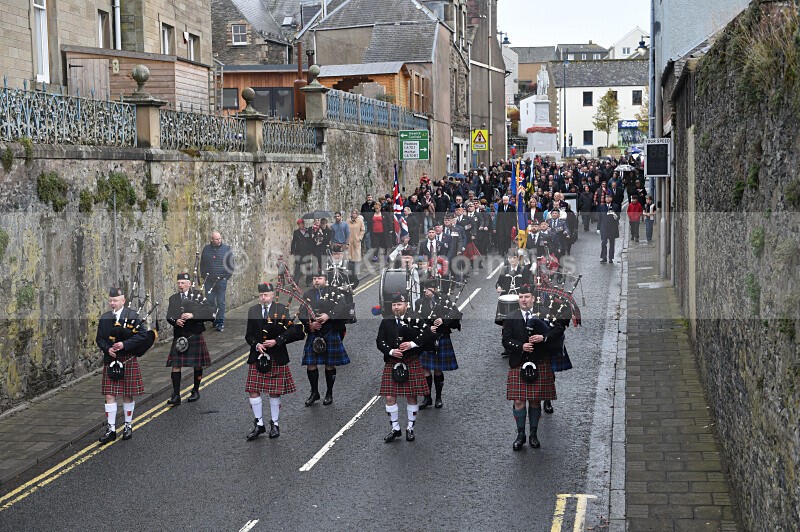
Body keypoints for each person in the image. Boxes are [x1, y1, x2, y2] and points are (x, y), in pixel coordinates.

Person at [502, 284, 565, 450]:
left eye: (527, 297)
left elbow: (559, 329)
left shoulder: (544, 313)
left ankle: (533, 435)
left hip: (539, 362)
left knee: (535, 401)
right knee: (518, 401)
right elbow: (505, 340)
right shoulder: (511, 317)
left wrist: (544, 337)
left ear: (533, 298)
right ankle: (520, 435)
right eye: (521, 297)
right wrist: (520, 346)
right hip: (519, 362)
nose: (523, 300)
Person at [243, 283, 304, 440]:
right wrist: (256, 345)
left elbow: (291, 330)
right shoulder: (253, 310)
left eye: (266, 295)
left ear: (272, 295)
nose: (263, 298)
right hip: (258, 356)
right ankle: (259, 424)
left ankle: (275, 424)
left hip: (276, 354)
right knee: (253, 390)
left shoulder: (281, 309)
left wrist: (276, 341)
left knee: (274, 391)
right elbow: (248, 335)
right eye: (261, 295)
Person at [95, 286, 150, 444]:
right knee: (109, 395)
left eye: (116, 300)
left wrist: (124, 344)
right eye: (111, 300)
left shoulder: (132, 316)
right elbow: (99, 339)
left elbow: (143, 335)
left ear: (123, 301)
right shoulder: (105, 317)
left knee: (127, 394)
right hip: (111, 360)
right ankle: (111, 429)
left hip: (127, 359)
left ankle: (127, 426)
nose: (112, 303)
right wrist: (107, 349)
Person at [376, 293, 432, 442]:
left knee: (412, 396)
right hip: (392, 362)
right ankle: (395, 429)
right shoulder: (386, 321)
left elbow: (428, 333)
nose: (396, 307)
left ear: (406, 305)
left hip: (411, 361)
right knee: (389, 397)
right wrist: (390, 351)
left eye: (399, 304)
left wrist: (412, 344)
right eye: (394, 305)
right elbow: (379, 341)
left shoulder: (414, 318)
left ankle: (410, 428)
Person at [299, 269, 350, 406]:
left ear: (325, 280)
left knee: (329, 364)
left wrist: (328, 315)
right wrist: (309, 325)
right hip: (314, 332)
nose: (317, 281)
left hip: (330, 330)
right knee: (310, 364)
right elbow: (302, 312)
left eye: (319, 278)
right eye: (315, 278)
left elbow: (343, 306)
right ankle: (314, 392)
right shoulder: (308, 294)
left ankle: (329, 393)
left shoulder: (334, 291)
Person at [165, 272, 216, 405]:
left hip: (194, 333)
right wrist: (175, 321)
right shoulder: (173, 299)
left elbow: (209, 312)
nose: (180, 285)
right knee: (176, 366)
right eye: (178, 283)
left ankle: (195, 390)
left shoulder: (198, 296)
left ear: (189, 284)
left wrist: (193, 315)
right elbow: (169, 316)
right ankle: (176, 395)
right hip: (180, 335)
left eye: (183, 283)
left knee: (197, 364)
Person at [415, 281, 461, 409]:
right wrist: (427, 327)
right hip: (426, 338)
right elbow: (416, 318)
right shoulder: (419, 302)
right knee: (425, 369)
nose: (425, 291)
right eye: (424, 289)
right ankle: (427, 398)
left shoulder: (444, 299)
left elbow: (455, 312)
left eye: (428, 289)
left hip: (441, 337)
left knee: (437, 368)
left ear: (435, 289)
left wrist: (443, 320)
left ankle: (438, 398)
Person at [199, 231, 234, 332]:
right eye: (216, 239)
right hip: (209, 281)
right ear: (212, 239)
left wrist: (226, 277)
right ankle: (214, 318)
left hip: (221, 280)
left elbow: (231, 264)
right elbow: (202, 264)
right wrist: (204, 276)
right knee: (209, 301)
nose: (219, 241)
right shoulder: (206, 249)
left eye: (220, 238)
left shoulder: (226, 249)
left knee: (221, 302)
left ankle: (220, 322)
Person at [598, 194, 620, 264]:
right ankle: (604, 257)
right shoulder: (601, 207)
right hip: (604, 227)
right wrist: (598, 228)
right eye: (606, 197)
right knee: (603, 242)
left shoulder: (615, 206)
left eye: (609, 197)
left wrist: (615, 215)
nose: (607, 199)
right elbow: (599, 218)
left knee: (612, 243)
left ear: (611, 199)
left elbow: (618, 217)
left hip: (612, 227)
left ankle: (611, 258)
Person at [290, 219, 313, 285]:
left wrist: (311, 250)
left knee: (308, 267)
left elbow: (311, 241)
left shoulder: (308, 231)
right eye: (299, 224)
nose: (301, 225)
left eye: (302, 224)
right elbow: (293, 242)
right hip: (299, 252)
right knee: (298, 267)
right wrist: (292, 251)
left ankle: (308, 282)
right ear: (298, 225)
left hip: (307, 251)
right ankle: (295, 282)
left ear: (303, 224)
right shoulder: (296, 232)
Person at [346, 209, 365, 277]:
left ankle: (357, 271)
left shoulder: (360, 221)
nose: (354, 214)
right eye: (353, 213)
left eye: (355, 213)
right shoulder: (348, 221)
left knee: (356, 256)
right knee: (349, 257)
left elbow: (362, 230)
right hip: (349, 241)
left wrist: (360, 238)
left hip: (356, 241)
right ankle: (350, 271)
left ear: (357, 214)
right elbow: (345, 230)